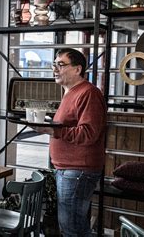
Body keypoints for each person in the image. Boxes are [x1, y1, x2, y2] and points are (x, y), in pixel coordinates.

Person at [33, 48, 107, 236]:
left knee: (72, 228)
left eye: (61, 64)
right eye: (54, 64)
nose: (55, 69)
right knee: (74, 226)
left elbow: (89, 133)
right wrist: (52, 126)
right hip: (69, 170)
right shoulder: (70, 92)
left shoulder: (89, 93)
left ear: (77, 69)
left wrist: (52, 130)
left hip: (78, 170)